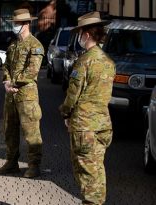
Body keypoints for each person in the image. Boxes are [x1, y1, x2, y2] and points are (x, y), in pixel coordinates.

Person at [59, 11, 115, 205]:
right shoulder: (108, 62)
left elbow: (72, 95)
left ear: (87, 34)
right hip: (103, 124)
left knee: (85, 172)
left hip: (84, 126)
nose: (79, 37)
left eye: (80, 33)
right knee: (97, 169)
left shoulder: (84, 61)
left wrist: (65, 112)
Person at [0, 9, 44, 178]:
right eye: (14, 23)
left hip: (27, 95)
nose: (14, 26)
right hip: (11, 95)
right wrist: (7, 82)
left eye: (17, 23)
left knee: (31, 132)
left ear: (26, 24)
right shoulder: (13, 45)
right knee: (10, 130)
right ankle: (11, 162)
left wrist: (14, 83)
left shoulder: (35, 45)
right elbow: (6, 65)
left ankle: (34, 165)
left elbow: (33, 70)